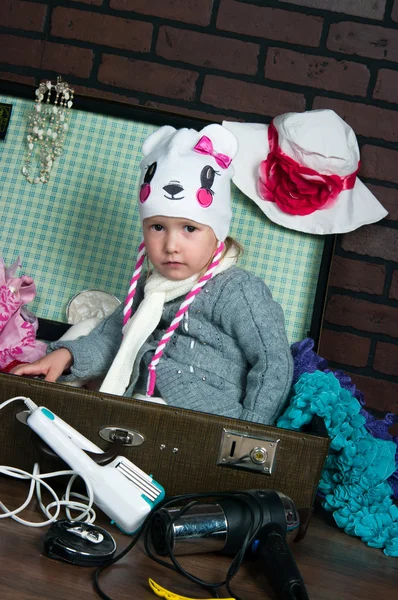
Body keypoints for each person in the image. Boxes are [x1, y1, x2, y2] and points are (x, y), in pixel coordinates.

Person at [12, 123, 293, 425]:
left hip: (208, 414)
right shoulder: (151, 286)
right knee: (90, 328)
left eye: (189, 229)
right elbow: (111, 337)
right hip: (143, 396)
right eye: (157, 227)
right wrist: (67, 356)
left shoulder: (238, 291)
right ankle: (49, 404)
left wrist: (249, 430)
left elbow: (272, 362)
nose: (171, 246)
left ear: (217, 233)